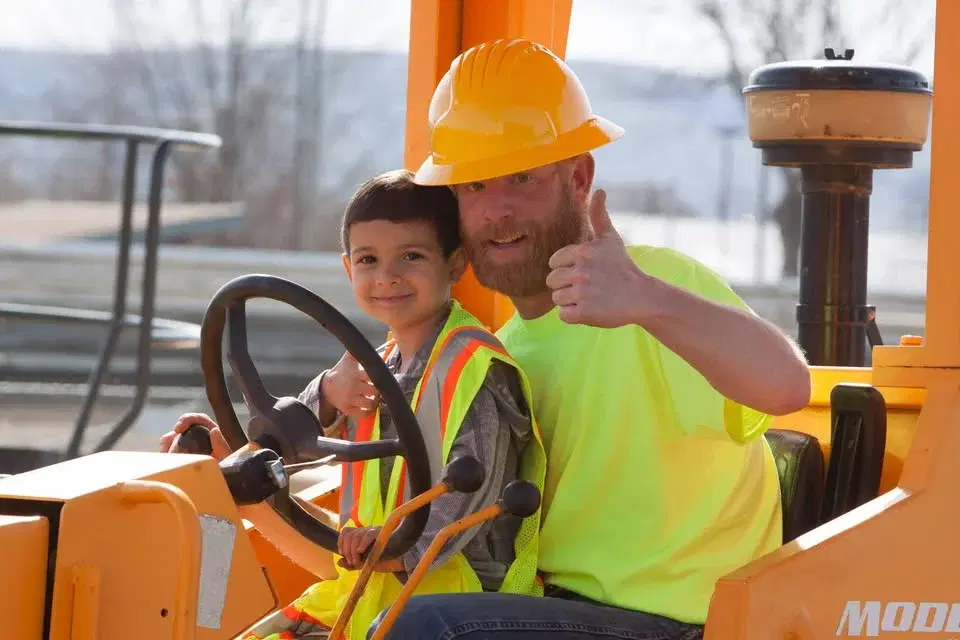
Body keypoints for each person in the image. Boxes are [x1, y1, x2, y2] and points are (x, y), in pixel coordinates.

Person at [366, 39, 812, 640]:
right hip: (545, 608)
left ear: (579, 177)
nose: (496, 210)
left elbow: (786, 385)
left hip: (675, 623)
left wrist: (646, 301)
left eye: (520, 177)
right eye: (473, 187)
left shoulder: (659, 289)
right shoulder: (498, 354)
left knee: (426, 628)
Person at [161, 169, 548, 640]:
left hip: (456, 607)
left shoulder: (474, 373)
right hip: (368, 593)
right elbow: (287, 440)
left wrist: (390, 548)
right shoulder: (372, 368)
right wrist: (318, 398)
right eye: (368, 259)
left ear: (454, 264)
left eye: (411, 256)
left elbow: (459, 506)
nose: (387, 277)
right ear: (348, 268)